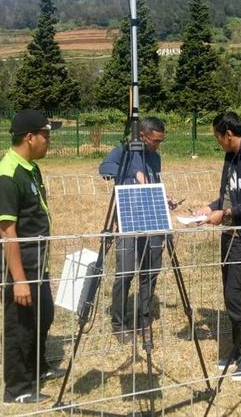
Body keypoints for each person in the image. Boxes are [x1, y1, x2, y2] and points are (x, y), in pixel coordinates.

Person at [0, 109, 66, 405]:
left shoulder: (29, 168)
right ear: (29, 137)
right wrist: (18, 280)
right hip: (18, 267)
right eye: (46, 136)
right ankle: (17, 388)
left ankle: (38, 369)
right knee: (20, 325)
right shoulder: (7, 176)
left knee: (43, 315)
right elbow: (8, 233)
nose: (49, 141)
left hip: (37, 262)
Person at [193, 111, 241, 382]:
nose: (216, 141)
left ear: (228, 134)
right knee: (234, 295)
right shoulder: (230, 158)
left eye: (217, 136)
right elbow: (229, 195)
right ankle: (239, 349)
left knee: (236, 294)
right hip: (231, 235)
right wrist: (211, 207)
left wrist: (225, 215)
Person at [99, 117, 171, 344]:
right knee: (125, 273)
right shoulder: (123, 151)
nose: (157, 145)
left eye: (160, 142)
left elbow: (152, 183)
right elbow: (105, 169)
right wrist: (134, 173)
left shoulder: (155, 158)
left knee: (150, 273)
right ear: (142, 135)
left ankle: (144, 321)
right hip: (128, 222)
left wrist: (163, 199)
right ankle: (119, 323)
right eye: (155, 141)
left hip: (152, 221)